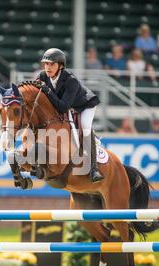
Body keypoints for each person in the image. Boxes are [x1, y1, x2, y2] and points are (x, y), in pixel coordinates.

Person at [36, 48, 104, 183]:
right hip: (67, 105)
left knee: (84, 127)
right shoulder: (43, 76)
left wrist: (48, 91)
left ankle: (94, 168)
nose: (48, 67)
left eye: (52, 64)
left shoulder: (70, 80)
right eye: (46, 64)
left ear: (60, 66)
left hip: (84, 105)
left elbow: (62, 107)